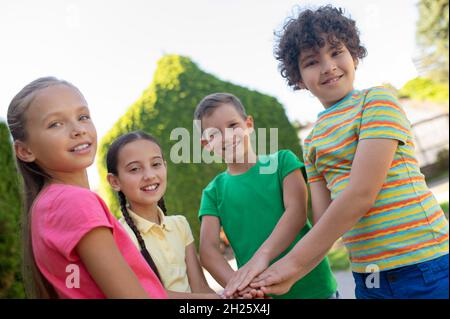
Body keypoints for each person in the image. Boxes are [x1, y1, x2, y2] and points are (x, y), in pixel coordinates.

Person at [246, 5, 449, 299]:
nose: (328, 66)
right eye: (312, 61)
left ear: (353, 55)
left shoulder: (377, 101)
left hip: (424, 263)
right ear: (299, 78)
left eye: (336, 51)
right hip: (369, 277)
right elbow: (325, 220)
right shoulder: (312, 141)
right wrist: (277, 271)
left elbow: (360, 193)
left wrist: (291, 266)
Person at [6, 77, 168, 298]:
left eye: (83, 117)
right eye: (55, 124)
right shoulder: (74, 202)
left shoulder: (46, 205)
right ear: (25, 151)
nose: (78, 130)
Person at [195, 92, 338, 299]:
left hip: (314, 288)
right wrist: (241, 286)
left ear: (249, 124)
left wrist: (262, 257)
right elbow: (208, 251)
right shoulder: (212, 192)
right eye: (213, 134)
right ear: (206, 144)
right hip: (260, 296)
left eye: (233, 125)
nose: (226, 137)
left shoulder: (283, 162)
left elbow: (296, 213)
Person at [106, 131, 221, 299]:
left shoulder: (180, 224)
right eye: (135, 169)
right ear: (115, 182)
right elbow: (146, 295)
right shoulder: (120, 236)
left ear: (165, 167)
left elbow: (200, 287)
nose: (150, 175)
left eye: (156, 164)